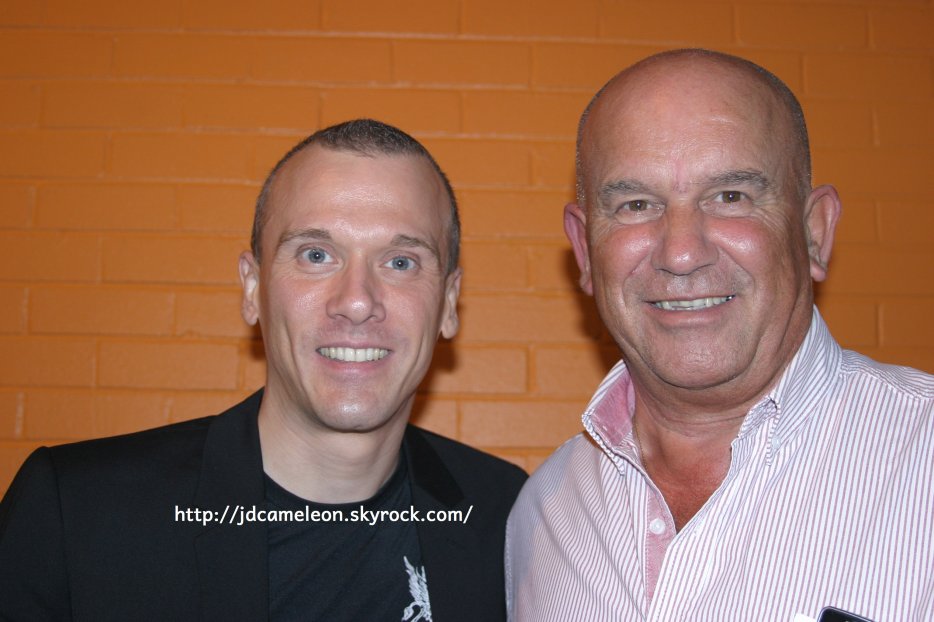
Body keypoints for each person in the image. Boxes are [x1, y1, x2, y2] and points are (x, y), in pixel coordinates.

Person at [0, 119, 527, 621]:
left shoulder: (510, 518)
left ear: (449, 303)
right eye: (316, 255)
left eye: (401, 262)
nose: (357, 302)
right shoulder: (76, 514)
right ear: (252, 289)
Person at [506, 49, 933, 621]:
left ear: (814, 233)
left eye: (731, 196)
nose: (681, 253)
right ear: (585, 250)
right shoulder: (543, 517)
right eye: (636, 204)